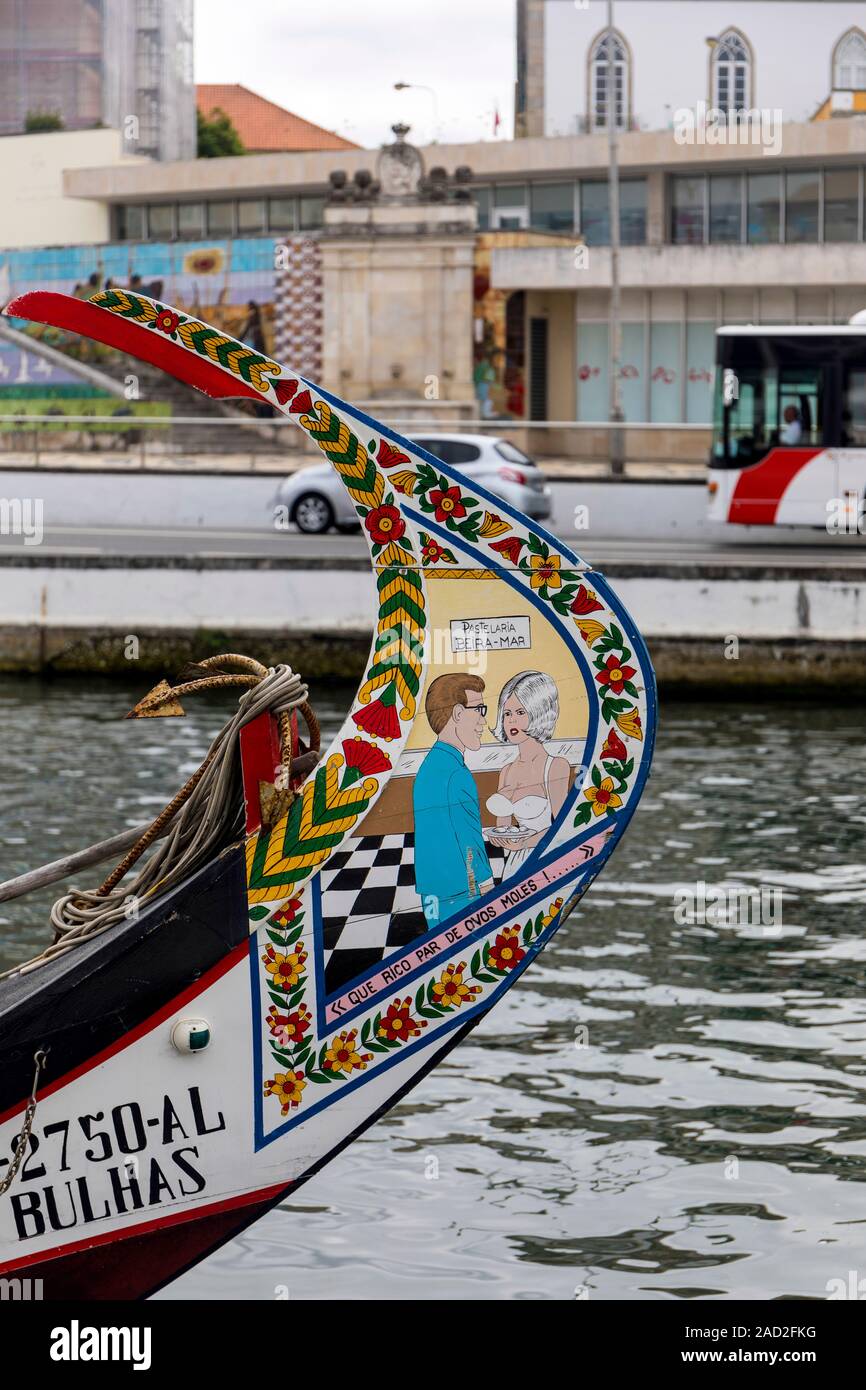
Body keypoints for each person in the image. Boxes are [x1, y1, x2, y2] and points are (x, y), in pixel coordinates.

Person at [412, 673, 494, 927]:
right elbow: (468, 839)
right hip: (460, 891)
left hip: (432, 887)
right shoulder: (456, 773)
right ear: (458, 713)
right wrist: (486, 885)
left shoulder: (429, 767)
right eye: (479, 709)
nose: (483, 719)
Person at [486, 671, 570, 877]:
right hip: (514, 863)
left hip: (543, 861)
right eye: (507, 714)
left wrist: (525, 843)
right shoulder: (506, 771)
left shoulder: (555, 766)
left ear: (538, 713)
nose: (511, 721)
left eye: (520, 712)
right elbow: (503, 826)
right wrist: (502, 839)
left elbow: (563, 828)